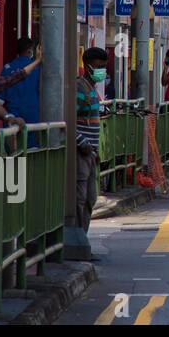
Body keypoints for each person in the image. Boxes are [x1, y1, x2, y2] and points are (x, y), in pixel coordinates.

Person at [75, 47, 108, 233]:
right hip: (81, 152)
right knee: (80, 199)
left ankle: (83, 238)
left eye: (104, 67)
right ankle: (78, 238)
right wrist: (83, 143)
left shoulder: (92, 89)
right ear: (87, 66)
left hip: (90, 153)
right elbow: (68, 119)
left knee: (90, 198)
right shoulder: (80, 88)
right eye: (98, 67)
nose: (101, 71)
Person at [0, 38, 42, 125]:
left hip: (12, 111)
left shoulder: (7, 68)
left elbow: (1, 93)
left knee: (11, 136)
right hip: (32, 111)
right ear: (30, 50)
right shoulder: (37, 69)